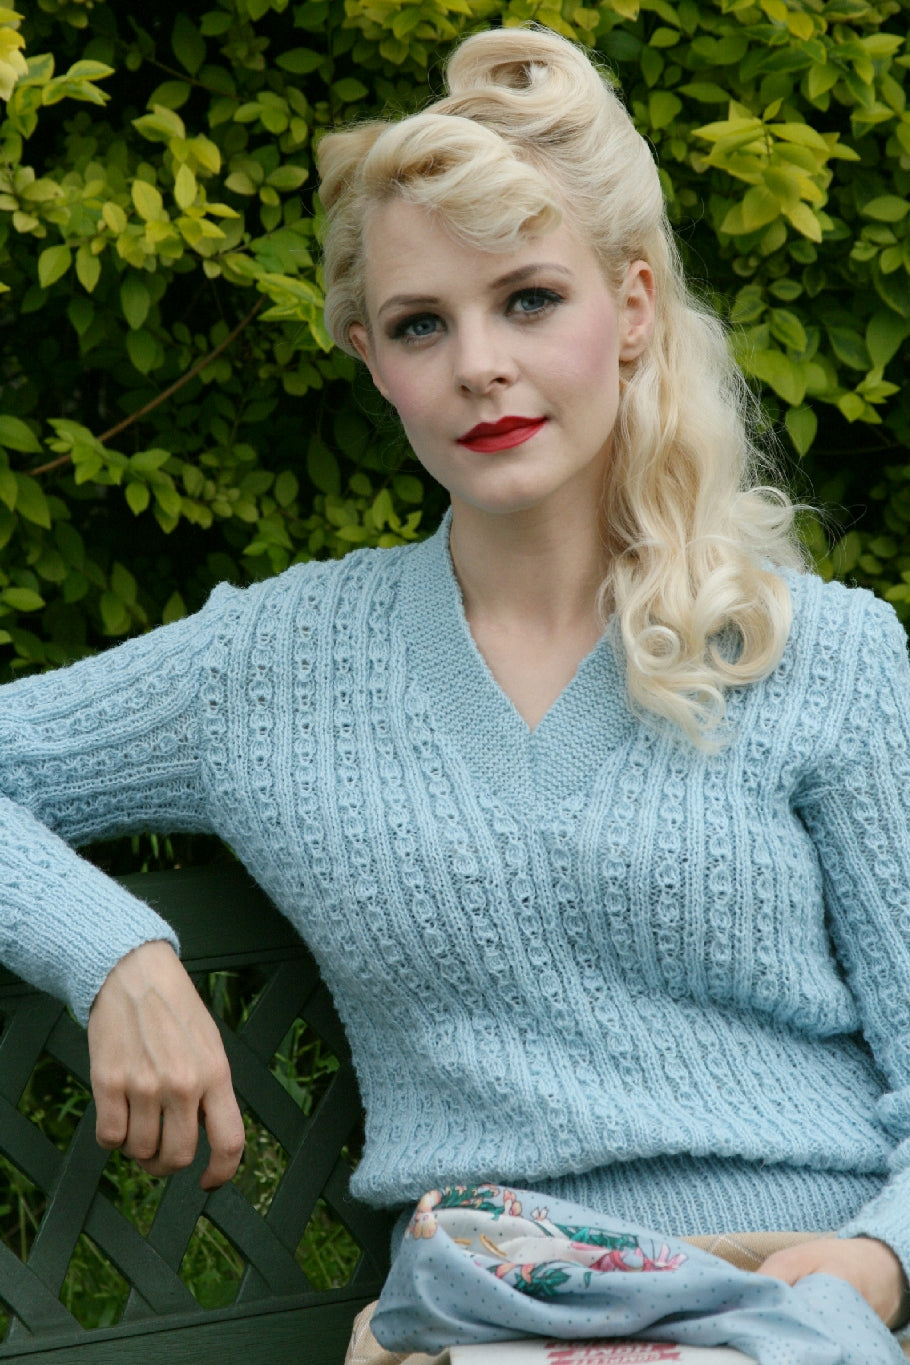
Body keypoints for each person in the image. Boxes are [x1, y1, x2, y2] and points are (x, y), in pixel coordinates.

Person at [1, 20, 909, 1358]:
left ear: (634, 308)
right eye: (423, 323)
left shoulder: (816, 655)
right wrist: (116, 952)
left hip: (790, 1298)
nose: (478, 363)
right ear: (372, 358)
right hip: (487, 1307)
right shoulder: (275, 665)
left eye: (528, 300)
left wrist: (867, 1269)